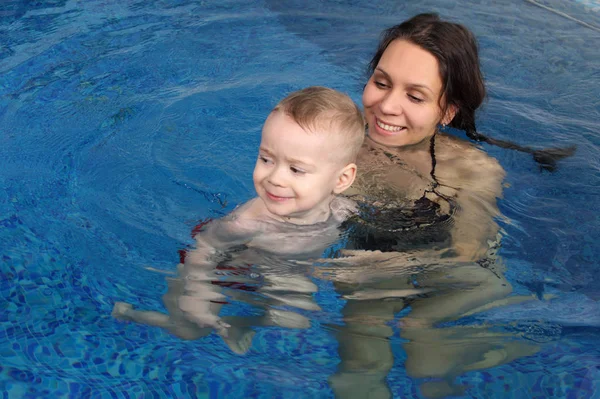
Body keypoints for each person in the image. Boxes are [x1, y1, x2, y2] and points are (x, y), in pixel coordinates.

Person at [321, 13, 550, 398]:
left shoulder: (469, 169)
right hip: (370, 257)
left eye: (414, 96)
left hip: (453, 275)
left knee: (425, 352)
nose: (387, 106)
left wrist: (393, 264)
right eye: (381, 83)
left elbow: (467, 251)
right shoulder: (334, 136)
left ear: (447, 112)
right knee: (360, 359)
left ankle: (522, 334)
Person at [112, 86, 365, 353]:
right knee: (189, 327)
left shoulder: (344, 212)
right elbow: (205, 249)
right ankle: (132, 314)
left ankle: (239, 323)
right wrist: (198, 293)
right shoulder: (248, 223)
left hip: (279, 270)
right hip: (228, 267)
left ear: (341, 180)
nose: (275, 178)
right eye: (266, 159)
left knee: (295, 321)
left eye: (296, 169)